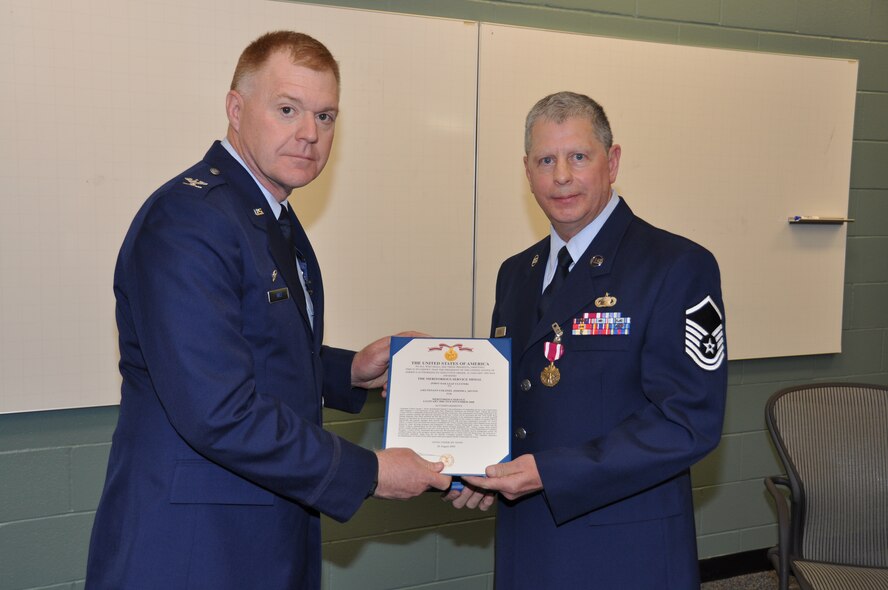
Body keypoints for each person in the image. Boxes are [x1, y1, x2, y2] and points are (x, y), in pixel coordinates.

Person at [85, 31, 450, 590]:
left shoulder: (265, 212)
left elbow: (251, 345)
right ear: (236, 109)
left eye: (326, 117)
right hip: (194, 548)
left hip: (260, 531)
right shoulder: (189, 221)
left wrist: (347, 371)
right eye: (288, 110)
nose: (309, 134)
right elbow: (220, 408)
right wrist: (369, 470)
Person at [446, 91, 727, 589]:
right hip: (526, 537)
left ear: (612, 161)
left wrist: (549, 473)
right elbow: (519, 401)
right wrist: (474, 466)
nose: (561, 177)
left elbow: (687, 423)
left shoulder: (676, 266)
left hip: (623, 548)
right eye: (545, 160)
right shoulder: (516, 273)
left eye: (578, 157)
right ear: (527, 171)